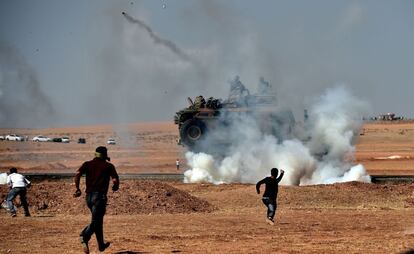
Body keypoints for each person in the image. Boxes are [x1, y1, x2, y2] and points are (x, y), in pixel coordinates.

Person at [74, 146, 120, 254]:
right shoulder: (108, 166)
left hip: (88, 197)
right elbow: (115, 179)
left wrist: (77, 188)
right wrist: (116, 186)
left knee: (98, 220)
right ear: (105, 154)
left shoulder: (87, 164)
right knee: (96, 221)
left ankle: (101, 245)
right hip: (99, 198)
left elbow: (77, 174)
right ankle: (84, 236)